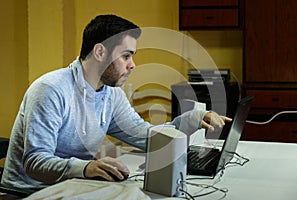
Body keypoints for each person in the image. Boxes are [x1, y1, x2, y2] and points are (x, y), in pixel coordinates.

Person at [1, 14, 230, 190]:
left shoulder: (110, 93)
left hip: (72, 186)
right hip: (30, 192)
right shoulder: (51, 89)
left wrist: (193, 119)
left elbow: (145, 137)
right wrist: (87, 168)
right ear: (100, 52)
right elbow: (35, 162)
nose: (132, 65)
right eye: (126, 56)